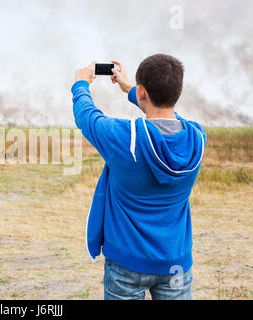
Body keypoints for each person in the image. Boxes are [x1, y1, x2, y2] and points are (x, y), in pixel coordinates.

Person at [72, 54, 206, 300]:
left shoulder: (125, 137)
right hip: (175, 261)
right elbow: (170, 117)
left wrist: (81, 83)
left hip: (126, 262)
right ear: (180, 90)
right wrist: (132, 90)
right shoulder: (197, 138)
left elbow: (87, 117)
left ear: (143, 91)